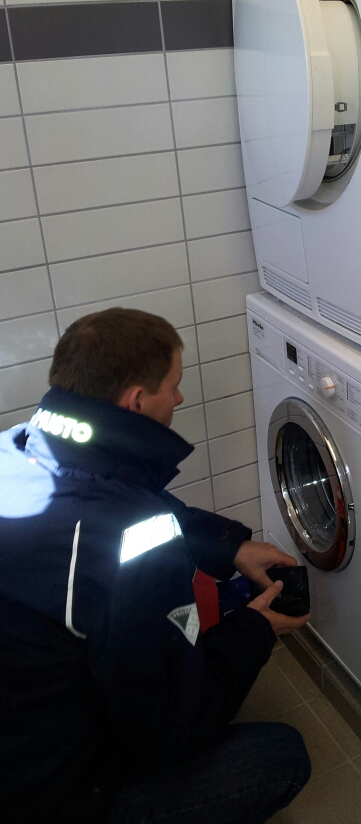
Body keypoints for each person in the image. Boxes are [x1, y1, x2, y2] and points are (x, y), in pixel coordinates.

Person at [0, 308, 311, 824]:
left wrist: (229, 546)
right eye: (174, 385)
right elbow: (174, 727)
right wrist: (256, 630)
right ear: (138, 401)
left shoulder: (19, 446)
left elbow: (115, 499)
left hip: (22, 729)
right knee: (279, 757)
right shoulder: (129, 549)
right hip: (54, 796)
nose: (181, 398)